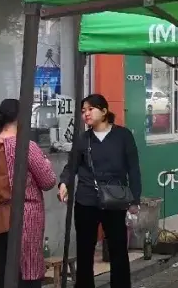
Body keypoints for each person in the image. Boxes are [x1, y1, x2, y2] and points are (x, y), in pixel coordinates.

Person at [58, 94, 142, 288]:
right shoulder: (83, 139)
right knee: (85, 250)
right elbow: (71, 166)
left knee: (118, 249)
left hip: (115, 199)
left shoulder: (123, 136)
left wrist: (135, 199)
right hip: (86, 200)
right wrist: (64, 183)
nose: (86, 114)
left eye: (90, 109)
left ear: (104, 111)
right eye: (83, 111)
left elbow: (134, 169)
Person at [0, 99, 57, 288]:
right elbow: (48, 181)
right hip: (24, 219)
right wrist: (46, 165)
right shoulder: (25, 147)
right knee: (25, 272)